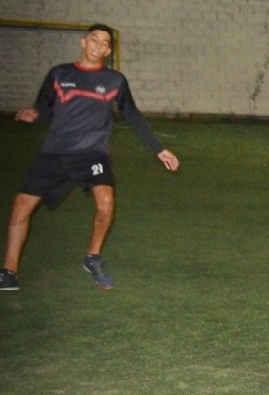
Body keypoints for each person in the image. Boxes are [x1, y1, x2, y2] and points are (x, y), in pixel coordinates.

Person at [1, 23, 180, 291]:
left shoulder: (115, 81)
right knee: (21, 205)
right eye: (94, 39)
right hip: (55, 152)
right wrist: (34, 116)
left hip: (93, 153)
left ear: (108, 51)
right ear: (84, 42)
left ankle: (92, 257)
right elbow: (44, 110)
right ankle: (8, 272)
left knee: (106, 203)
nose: (98, 46)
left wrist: (158, 149)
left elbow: (131, 114)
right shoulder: (59, 74)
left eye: (105, 43)